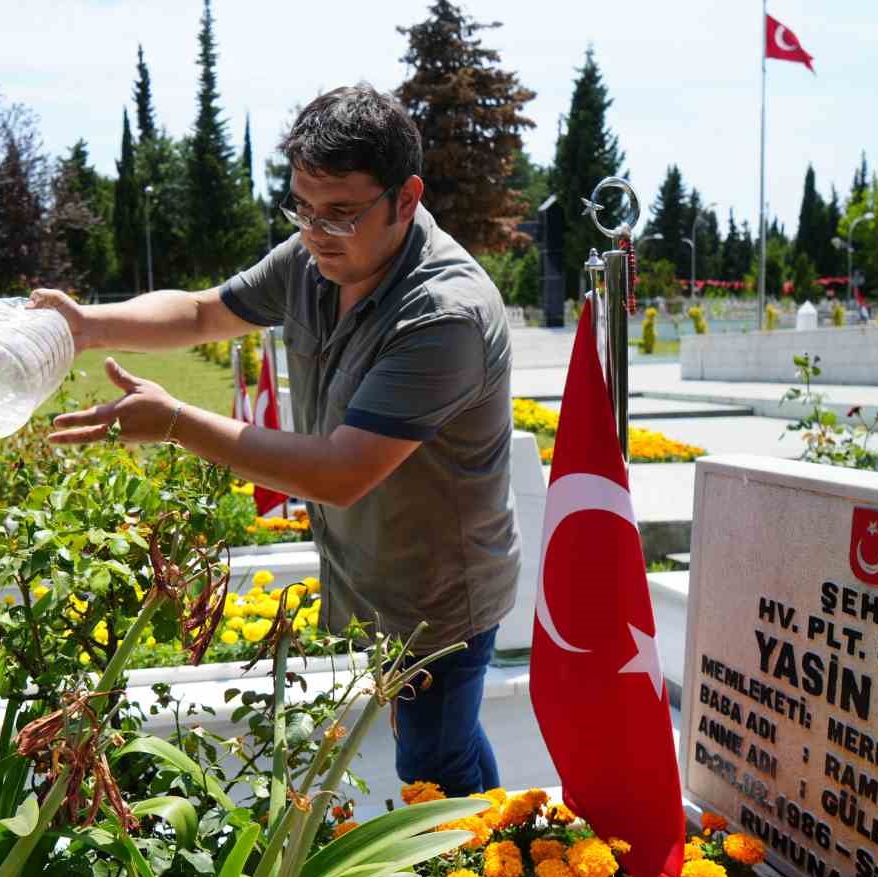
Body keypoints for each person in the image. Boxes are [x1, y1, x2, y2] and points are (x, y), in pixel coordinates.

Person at [30, 84, 519, 797]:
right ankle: (512, 853)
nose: (317, 231)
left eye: (342, 213)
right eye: (304, 208)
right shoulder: (317, 261)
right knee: (446, 742)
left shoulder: (444, 315)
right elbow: (203, 313)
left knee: (432, 766)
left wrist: (175, 423)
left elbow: (340, 472)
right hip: (374, 569)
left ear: (407, 198)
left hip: (438, 591)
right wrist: (90, 326)